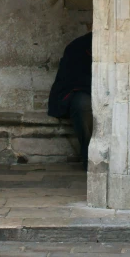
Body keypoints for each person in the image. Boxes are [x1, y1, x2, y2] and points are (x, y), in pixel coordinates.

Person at [47, 31, 92, 170]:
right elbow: (70, 81)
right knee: (83, 104)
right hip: (83, 95)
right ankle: (89, 156)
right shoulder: (78, 47)